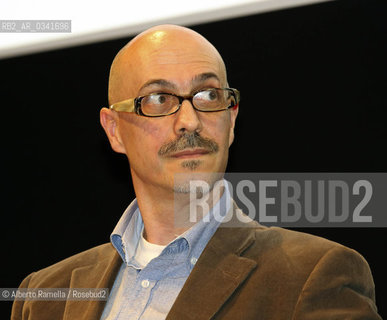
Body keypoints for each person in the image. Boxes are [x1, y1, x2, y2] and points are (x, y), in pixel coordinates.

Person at [11, 24, 381, 320]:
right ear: (114, 130)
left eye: (208, 96)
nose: (189, 121)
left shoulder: (312, 276)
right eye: (159, 99)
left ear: (231, 120)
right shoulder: (43, 295)